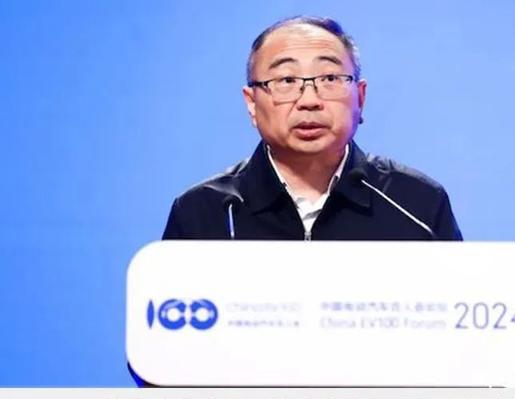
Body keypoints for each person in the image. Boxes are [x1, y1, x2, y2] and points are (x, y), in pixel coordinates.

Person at [162, 16, 462, 241]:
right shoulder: (205, 212)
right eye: (286, 80)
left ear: (360, 98)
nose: (309, 101)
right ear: (252, 103)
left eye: (329, 78)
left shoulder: (416, 204)